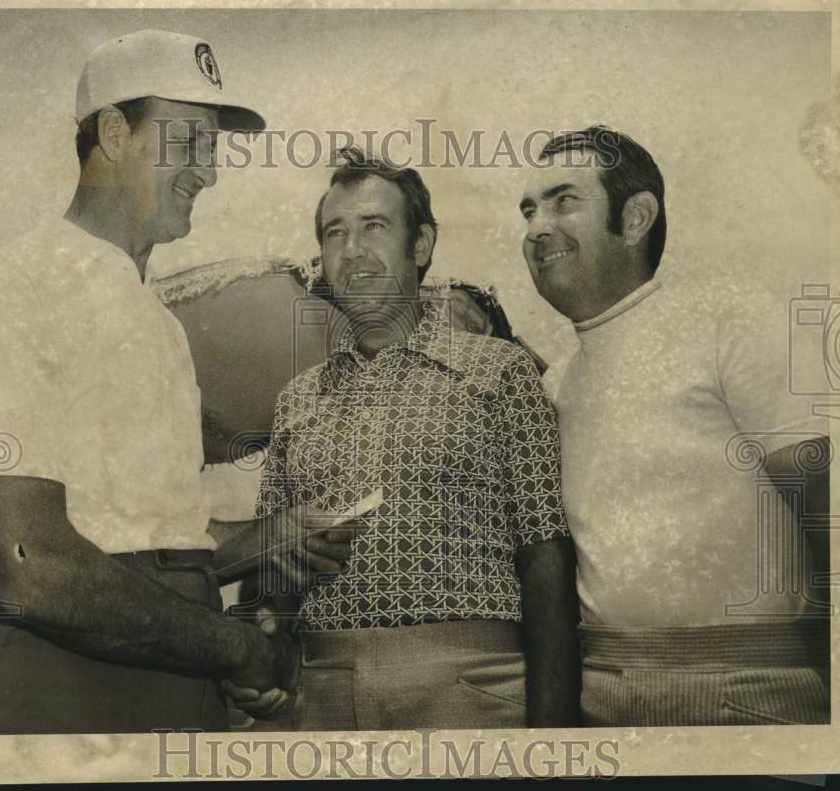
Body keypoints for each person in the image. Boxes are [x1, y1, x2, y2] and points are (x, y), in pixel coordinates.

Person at [0, 29, 299, 734]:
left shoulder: (158, 317)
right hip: (61, 684)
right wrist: (235, 648)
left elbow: (147, 535)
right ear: (113, 132)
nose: (211, 170)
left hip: (171, 676)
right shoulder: (16, 284)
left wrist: (276, 537)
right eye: (191, 140)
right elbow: (31, 565)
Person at [226, 147, 580, 730]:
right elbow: (267, 574)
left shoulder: (500, 373)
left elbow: (546, 557)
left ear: (420, 245)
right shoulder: (297, 399)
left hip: (474, 691)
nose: (351, 250)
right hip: (323, 696)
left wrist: (555, 736)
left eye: (374, 227)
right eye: (333, 232)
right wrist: (258, 646)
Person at [520, 125, 831, 726]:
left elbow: (834, 511)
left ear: (636, 218)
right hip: (603, 704)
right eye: (528, 210)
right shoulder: (557, 382)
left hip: (758, 695)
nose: (535, 227)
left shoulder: (729, 319)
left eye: (564, 200)